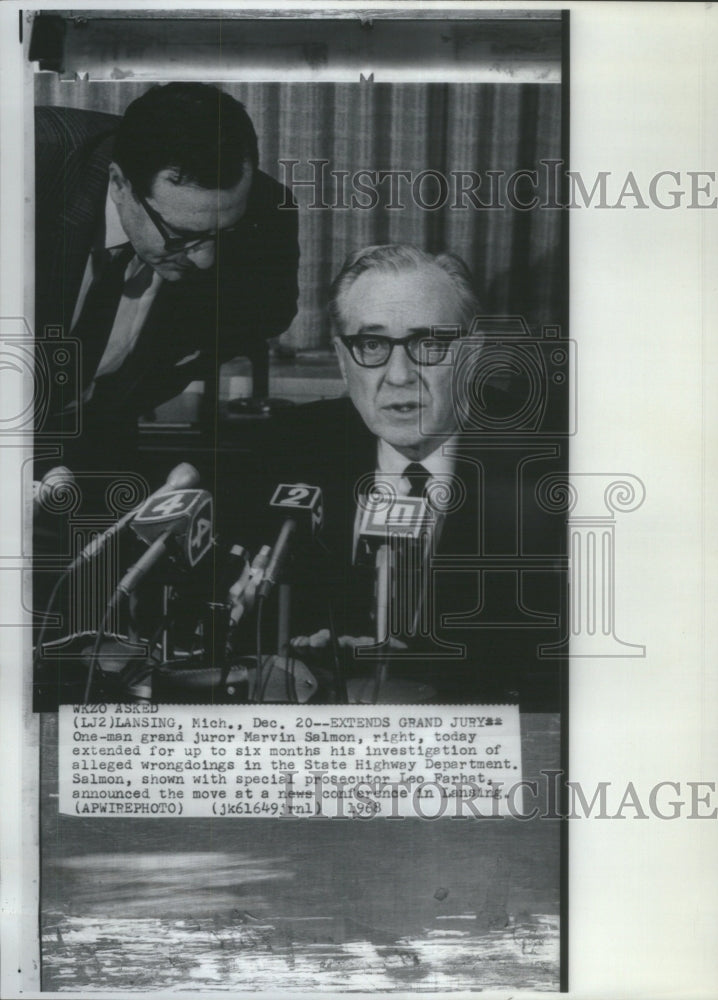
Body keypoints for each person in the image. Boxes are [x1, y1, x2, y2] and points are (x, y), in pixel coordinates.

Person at [228, 244, 566, 706]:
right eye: (372, 345)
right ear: (343, 362)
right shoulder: (286, 449)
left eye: (429, 344)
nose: (400, 375)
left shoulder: (553, 463)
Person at [34, 82, 299, 469]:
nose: (206, 260)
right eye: (182, 236)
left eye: (223, 234)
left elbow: (263, 318)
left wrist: (122, 395)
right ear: (120, 184)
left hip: (96, 441)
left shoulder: (266, 211)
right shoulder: (29, 159)